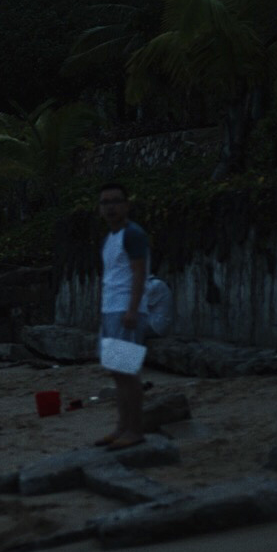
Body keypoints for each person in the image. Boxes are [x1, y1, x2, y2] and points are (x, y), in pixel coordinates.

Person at [96, 180, 152, 450]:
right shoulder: (110, 237)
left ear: (127, 205)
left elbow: (139, 273)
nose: (110, 208)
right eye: (105, 203)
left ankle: (135, 429)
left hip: (126, 310)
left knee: (128, 372)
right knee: (117, 372)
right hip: (111, 309)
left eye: (116, 201)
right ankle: (122, 426)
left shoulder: (133, 234)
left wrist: (132, 308)